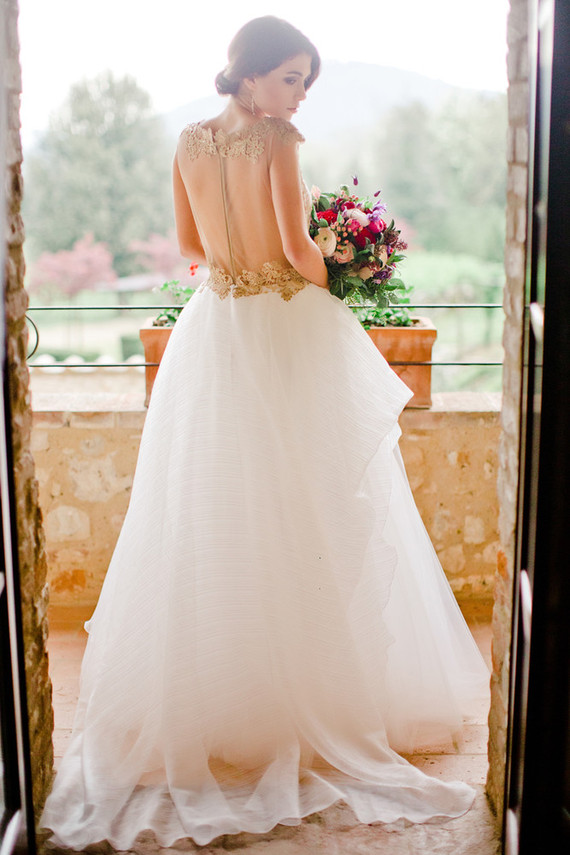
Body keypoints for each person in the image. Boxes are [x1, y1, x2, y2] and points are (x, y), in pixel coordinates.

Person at [40, 16, 489, 850]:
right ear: (250, 74)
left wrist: (237, 257)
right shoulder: (276, 141)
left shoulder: (188, 139)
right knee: (309, 498)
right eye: (289, 77)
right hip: (283, 323)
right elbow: (293, 247)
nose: (297, 95)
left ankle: (222, 700)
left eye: (304, 83)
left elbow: (186, 246)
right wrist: (340, 270)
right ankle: (299, 695)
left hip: (214, 331)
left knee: (216, 507)